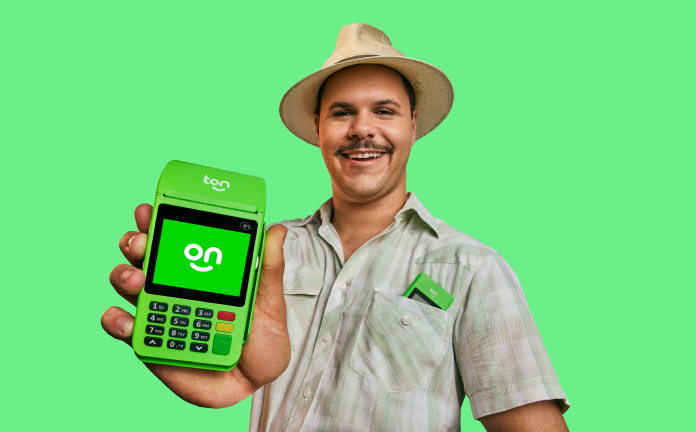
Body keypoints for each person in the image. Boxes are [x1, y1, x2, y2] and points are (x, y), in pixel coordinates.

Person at [102, 23, 570, 431]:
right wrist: (236, 379)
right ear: (318, 126)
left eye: (384, 111)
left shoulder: (471, 269)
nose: (362, 129)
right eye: (342, 112)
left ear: (413, 123)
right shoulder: (265, 251)